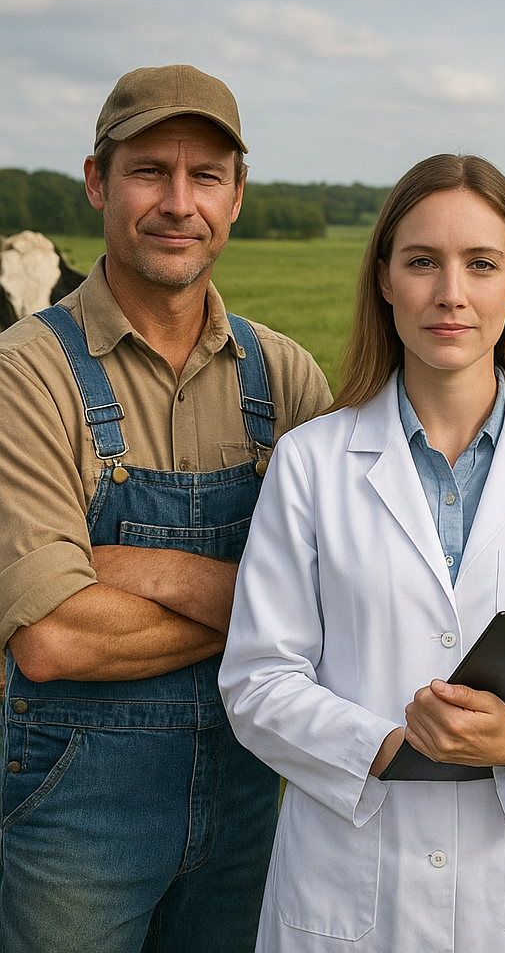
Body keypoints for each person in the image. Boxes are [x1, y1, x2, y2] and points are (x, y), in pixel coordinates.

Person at [218, 153, 505, 953]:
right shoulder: (312, 463)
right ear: (385, 278)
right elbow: (259, 678)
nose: (450, 293)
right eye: (422, 261)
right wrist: (390, 749)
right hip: (350, 888)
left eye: (481, 264)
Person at [0, 64, 331, 952]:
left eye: (205, 176)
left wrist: (150, 570)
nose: (177, 202)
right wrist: (270, 608)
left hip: (249, 802)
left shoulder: (287, 378)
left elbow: (345, 600)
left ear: (236, 196)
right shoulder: (25, 373)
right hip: (75, 817)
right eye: (149, 170)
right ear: (99, 181)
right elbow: (54, 636)